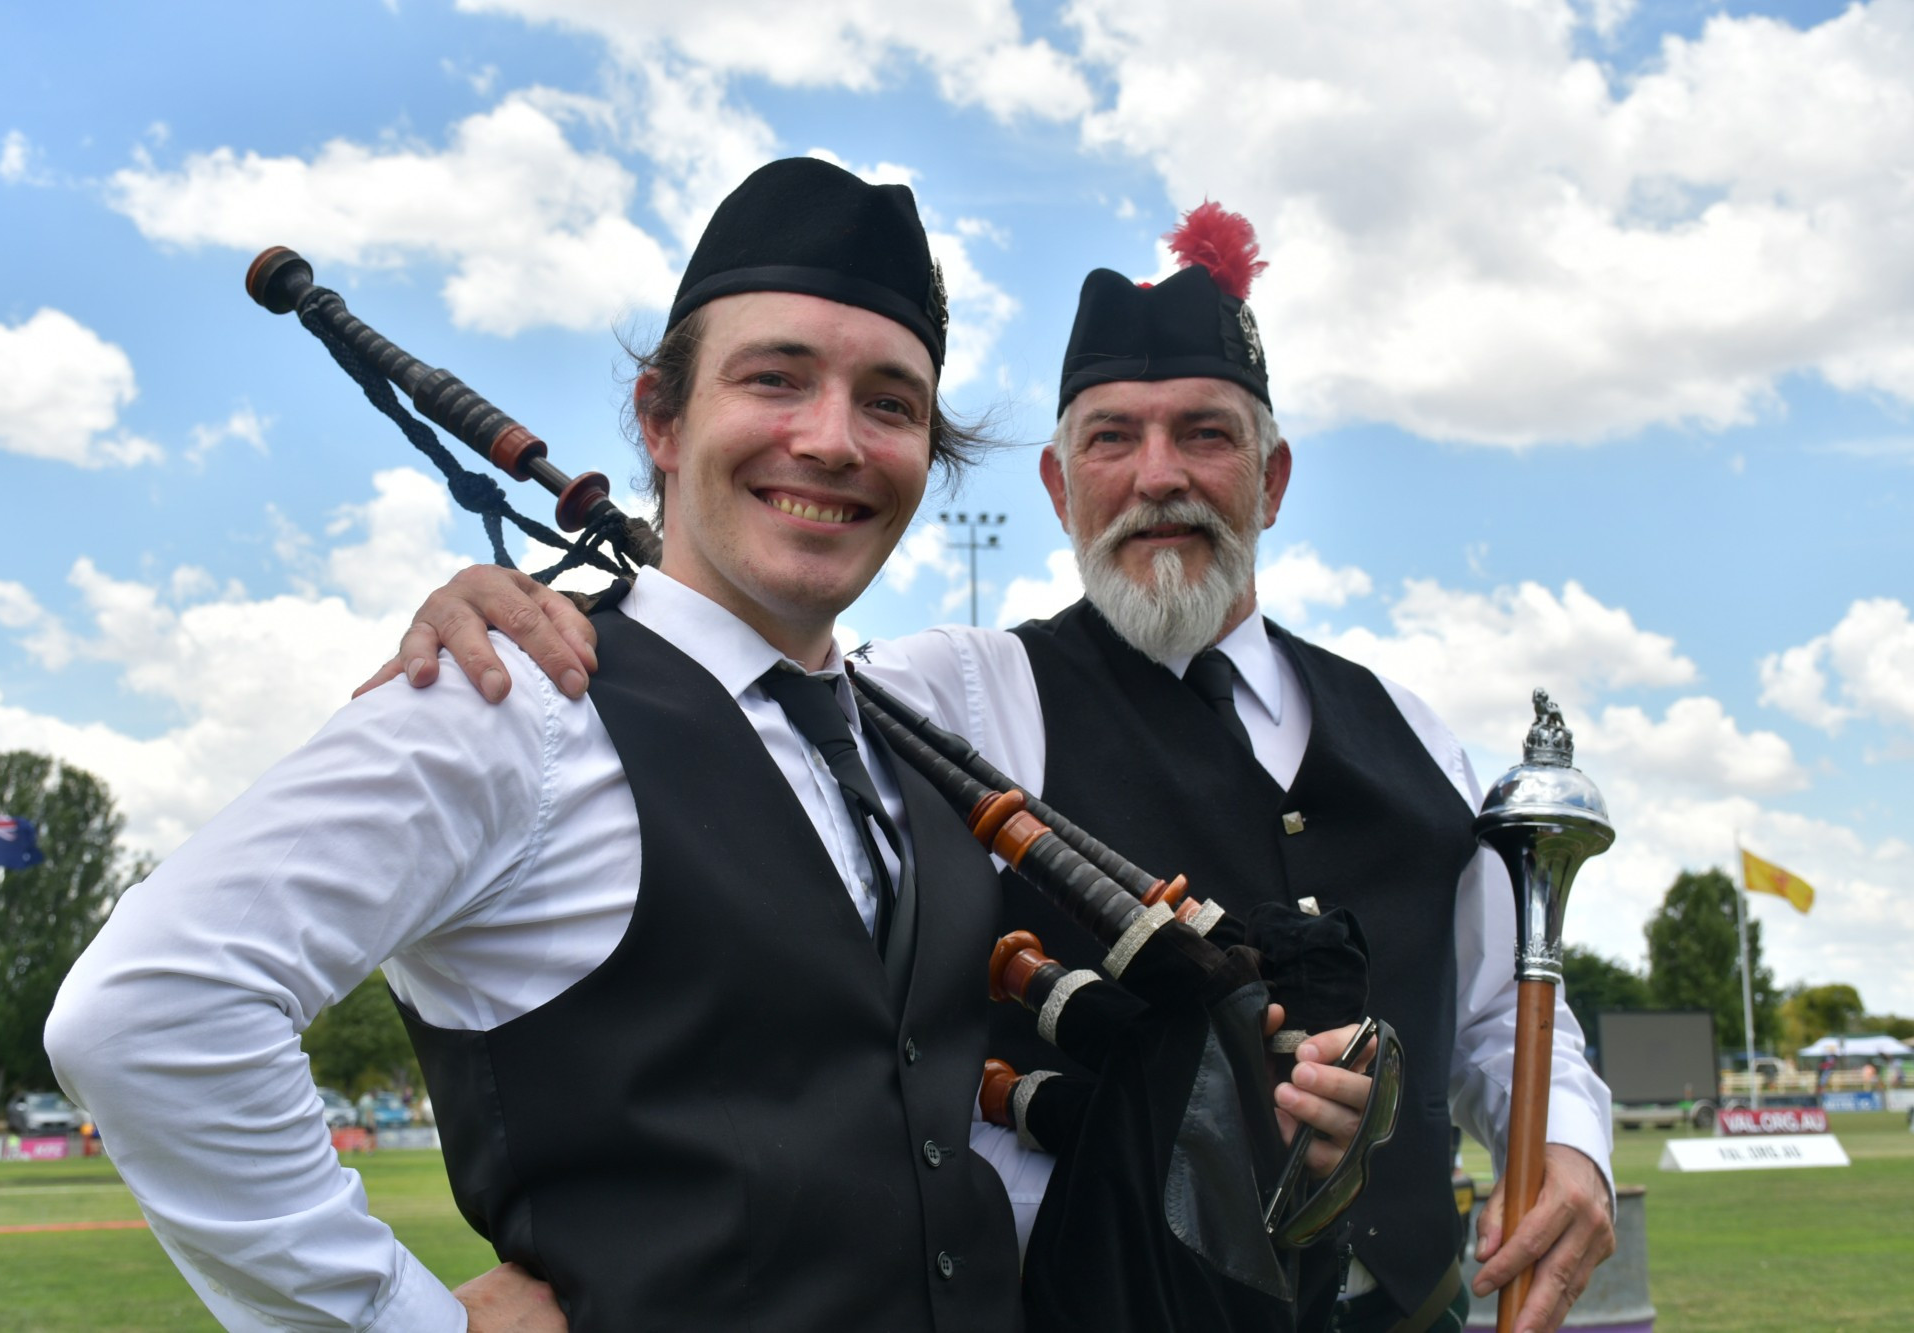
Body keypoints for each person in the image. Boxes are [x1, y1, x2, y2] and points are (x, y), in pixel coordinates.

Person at [47, 161, 1370, 1332]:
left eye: (891, 402)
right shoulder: (511, 701)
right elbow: (153, 1013)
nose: (834, 440)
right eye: (775, 378)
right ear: (661, 421)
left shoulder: (916, 746)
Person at [391, 200, 1618, 1333]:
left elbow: (1496, 1018)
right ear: (1055, 484)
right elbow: (720, 682)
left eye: (1205, 435)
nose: (1157, 478)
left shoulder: (1409, 728)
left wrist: (1568, 1142)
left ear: (1273, 477)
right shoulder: (951, 692)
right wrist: (528, 612)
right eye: (1108, 440)